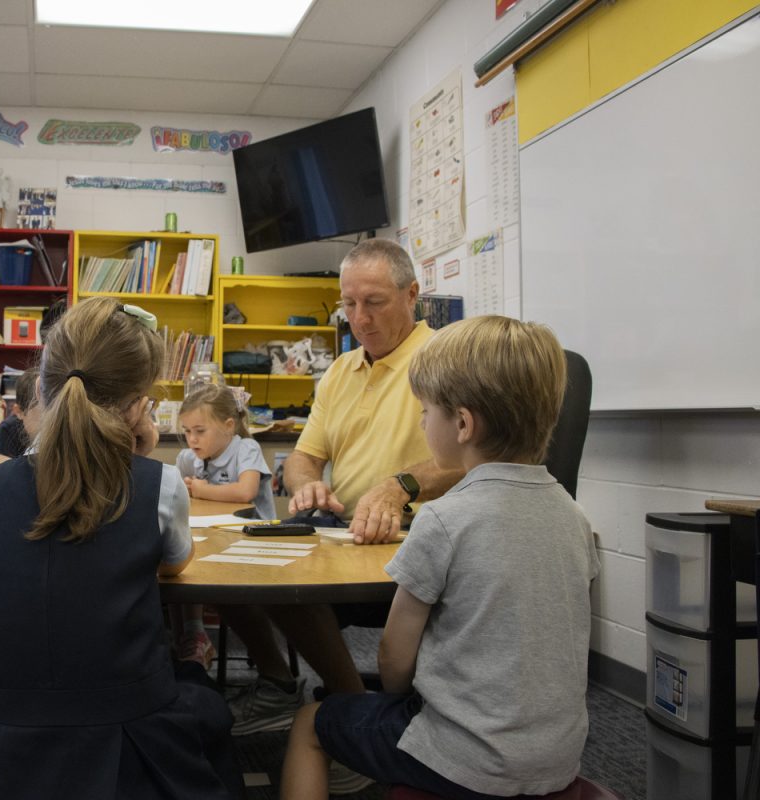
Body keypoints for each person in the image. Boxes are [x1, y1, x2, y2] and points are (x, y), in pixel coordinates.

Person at [281, 315, 600, 799]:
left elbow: (393, 659)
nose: (422, 421)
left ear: (463, 424)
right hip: (557, 757)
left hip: (461, 759)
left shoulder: (442, 520)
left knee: (309, 722)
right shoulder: (575, 517)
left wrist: (398, 699)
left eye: (426, 411)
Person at [0, 297, 242, 799]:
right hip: (135, 731)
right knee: (205, 696)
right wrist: (134, 456)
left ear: (43, 388)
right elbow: (177, 565)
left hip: (14, 733)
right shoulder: (159, 484)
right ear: (139, 404)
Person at [224, 238, 465, 737]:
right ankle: (281, 682)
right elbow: (304, 459)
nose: (360, 318)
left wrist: (401, 487)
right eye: (348, 304)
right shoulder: (339, 370)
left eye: (374, 302)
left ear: (411, 294)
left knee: (291, 584)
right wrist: (307, 485)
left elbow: (473, 457)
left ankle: (352, 711)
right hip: (345, 531)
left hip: (416, 536)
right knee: (241, 563)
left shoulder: (447, 358)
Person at [172, 382, 274, 670]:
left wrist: (202, 490)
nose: (192, 439)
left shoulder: (246, 448)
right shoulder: (188, 459)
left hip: (252, 540)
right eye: (187, 431)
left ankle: (192, 635)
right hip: (212, 536)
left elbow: (245, 492)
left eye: (200, 431)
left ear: (228, 426)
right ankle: (192, 635)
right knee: (179, 558)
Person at [0, 366, 39, 465]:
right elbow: (1, 476)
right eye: (41, 413)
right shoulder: (8, 429)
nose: (49, 422)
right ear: (19, 412)